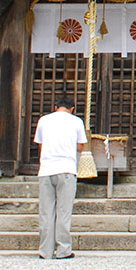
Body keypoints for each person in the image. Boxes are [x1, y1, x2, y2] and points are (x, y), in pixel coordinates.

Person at [33, 95, 87, 259]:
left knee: (46, 212)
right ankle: (63, 250)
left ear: (56, 107)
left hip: (46, 169)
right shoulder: (76, 121)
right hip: (66, 169)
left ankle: (45, 251)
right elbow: (80, 147)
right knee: (64, 211)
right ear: (72, 109)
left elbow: (40, 144)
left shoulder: (43, 120)